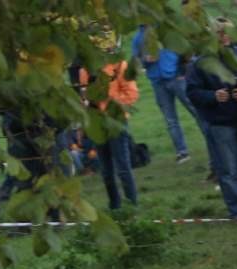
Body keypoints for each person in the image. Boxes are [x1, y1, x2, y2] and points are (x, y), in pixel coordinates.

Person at [188, 21, 237, 219]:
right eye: (220, 33)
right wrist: (212, 96)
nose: (224, 37)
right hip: (220, 123)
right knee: (229, 169)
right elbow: (193, 92)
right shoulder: (201, 63)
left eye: (227, 33)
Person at [131, 24, 211, 169]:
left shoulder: (167, 30)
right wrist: (145, 60)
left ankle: (211, 141)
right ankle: (182, 152)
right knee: (170, 119)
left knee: (196, 110)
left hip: (175, 77)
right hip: (157, 82)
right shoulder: (138, 38)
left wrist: (182, 72)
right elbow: (136, 60)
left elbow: (185, 51)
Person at [79, 56, 140, 211]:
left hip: (116, 122)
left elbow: (132, 94)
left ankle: (132, 204)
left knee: (123, 166)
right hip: (96, 124)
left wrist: (109, 103)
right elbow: (83, 95)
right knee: (106, 170)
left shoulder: (119, 65)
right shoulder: (84, 70)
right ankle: (114, 205)